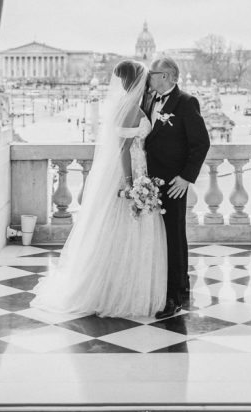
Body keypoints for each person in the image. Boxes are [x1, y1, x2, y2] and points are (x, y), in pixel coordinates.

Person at [30, 59, 166, 319]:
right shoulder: (131, 110)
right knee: (129, 229)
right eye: (144, 78)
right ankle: (125, 291)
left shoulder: (126, 107)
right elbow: (124, 150)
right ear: (136, 81)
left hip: (137, 171)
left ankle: (116, 286)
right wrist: (131, 184)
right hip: (133, 173)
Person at [144, 56, 210, 319]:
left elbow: (201, 143)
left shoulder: (186, 102)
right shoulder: (149, 100)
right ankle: (157, 288)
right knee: (155, 239)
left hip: (173, 184)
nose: (149, 76)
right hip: (148, 183)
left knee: (174, 237)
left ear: (168, 76)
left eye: (153, 73)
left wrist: (185, 178)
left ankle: (176, 295)